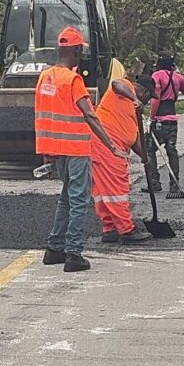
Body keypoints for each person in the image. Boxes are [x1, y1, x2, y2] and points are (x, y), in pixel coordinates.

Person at [36, 27, 122, 273]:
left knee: (66, 197)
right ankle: (73, 253)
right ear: (76, 50)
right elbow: (90, 116)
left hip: (56, 148)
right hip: (75, 148)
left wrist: (45, 152)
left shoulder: (45, 77)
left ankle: (54, 248)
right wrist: (111, 146)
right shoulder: (73, 80)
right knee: (79, 200)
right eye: (80, 50)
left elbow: (43, 116)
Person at [90, 71, 154, 245]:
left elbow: (134, 140)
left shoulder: (134, 112)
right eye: (149, 98)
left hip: (106, 148)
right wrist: (135, 99)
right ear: (145, 93)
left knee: (103, 192)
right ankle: (126, 230)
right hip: (108, 148)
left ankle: (109, 229)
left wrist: (145, 158)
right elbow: (115, 85)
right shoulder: (125, 86)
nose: (148, 103)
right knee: (116, 191)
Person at [144, 54, 184, 193]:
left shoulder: (157, 76)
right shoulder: (178, 77)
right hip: (172, 120)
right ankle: (174, 183)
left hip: (159, 118)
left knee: (149, 150)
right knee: (172, 150)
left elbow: (156, 98)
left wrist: (151, 118)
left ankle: (154, 182)